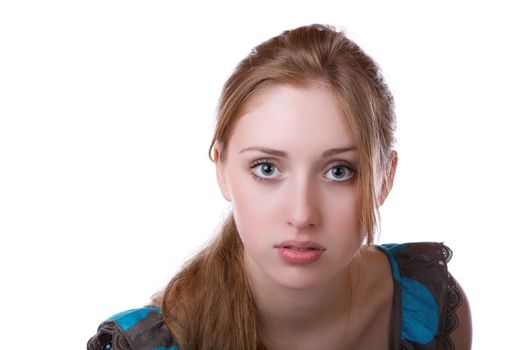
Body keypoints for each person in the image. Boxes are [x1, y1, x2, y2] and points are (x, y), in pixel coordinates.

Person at [87, 24, 472, 350]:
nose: (301, 214)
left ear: (385, 179)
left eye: (339, 171)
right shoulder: (149, 343)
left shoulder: (432, 311)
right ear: (221, 168)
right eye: (267, 168)